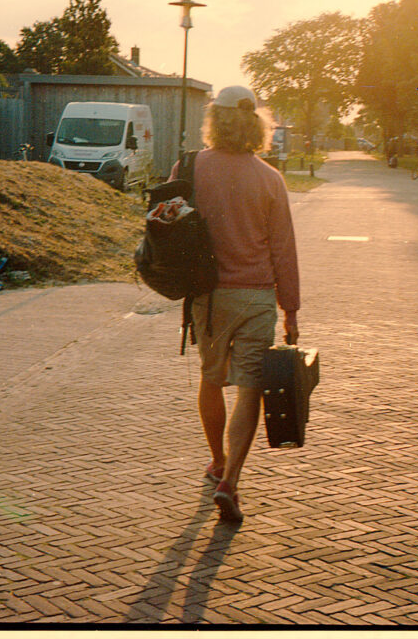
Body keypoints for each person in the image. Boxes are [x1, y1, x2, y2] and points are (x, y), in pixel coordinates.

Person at [169, 85, 300, 522]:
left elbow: (165, 226)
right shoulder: (270, 179)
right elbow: (284, 250)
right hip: (258, 297)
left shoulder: (190, 168)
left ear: (215, 120)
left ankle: (217, 460)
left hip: (209, 296)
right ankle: (232, 481)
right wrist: (291, 310)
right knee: (251, 387)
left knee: (211, 378)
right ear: (255, 125)